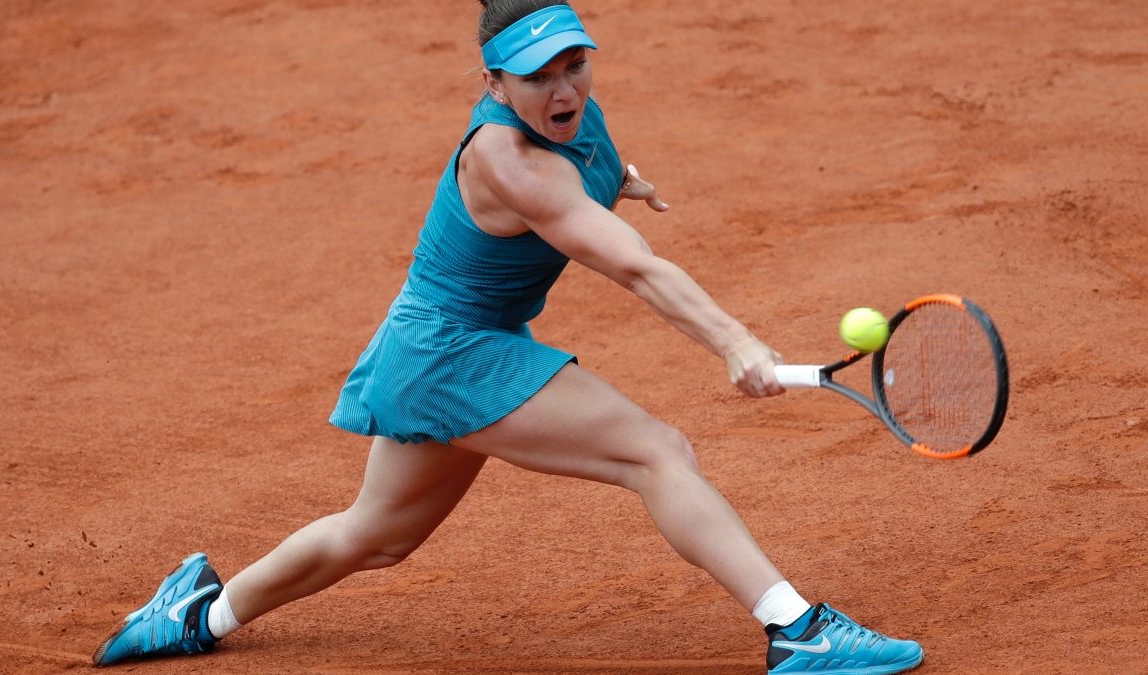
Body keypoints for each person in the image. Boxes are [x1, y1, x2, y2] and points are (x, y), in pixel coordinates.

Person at [92, 2, 924, 673]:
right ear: (493, 82)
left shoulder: (570, 117)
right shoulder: (509, 162)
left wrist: (620, 181)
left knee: (375, 535)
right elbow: (635, 268)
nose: (563, 90)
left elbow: (585, 167)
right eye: (536, 76)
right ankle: (797, 631)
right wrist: (736, 340)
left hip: (440, 346)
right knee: (657, 451)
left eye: (574, 65)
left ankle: (198, 612)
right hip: (451, 351)